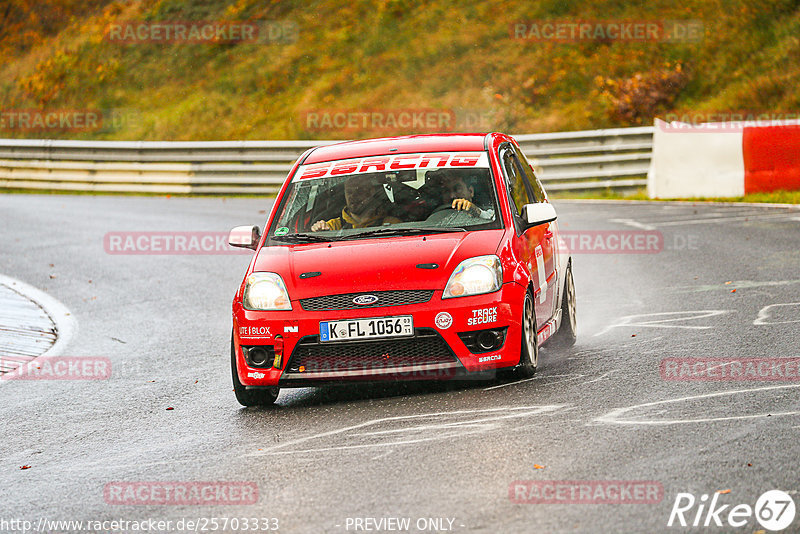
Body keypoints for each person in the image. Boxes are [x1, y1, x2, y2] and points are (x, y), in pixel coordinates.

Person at [311, 175, 401, 231]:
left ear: (371, 192)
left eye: (359, 191)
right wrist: (319, 230)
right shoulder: (333, 226)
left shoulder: (392, 224)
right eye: (349, 192)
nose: (352, 196)